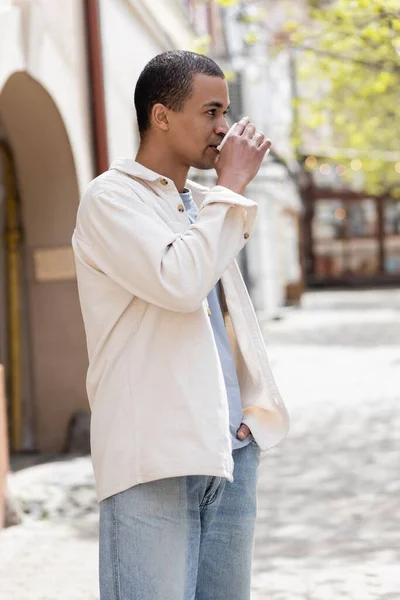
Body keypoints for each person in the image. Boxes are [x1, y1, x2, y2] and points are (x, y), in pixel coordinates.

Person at [72, 50, 289, 600]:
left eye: (227, 112)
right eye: (211, 111)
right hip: (156, 459)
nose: (224, 128)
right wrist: (232, 187)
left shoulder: (200, 202)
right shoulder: (111, 198)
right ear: (161, 116)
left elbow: (221, 318)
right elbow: (179, 282)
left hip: (230, 451)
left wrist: (248, 421)